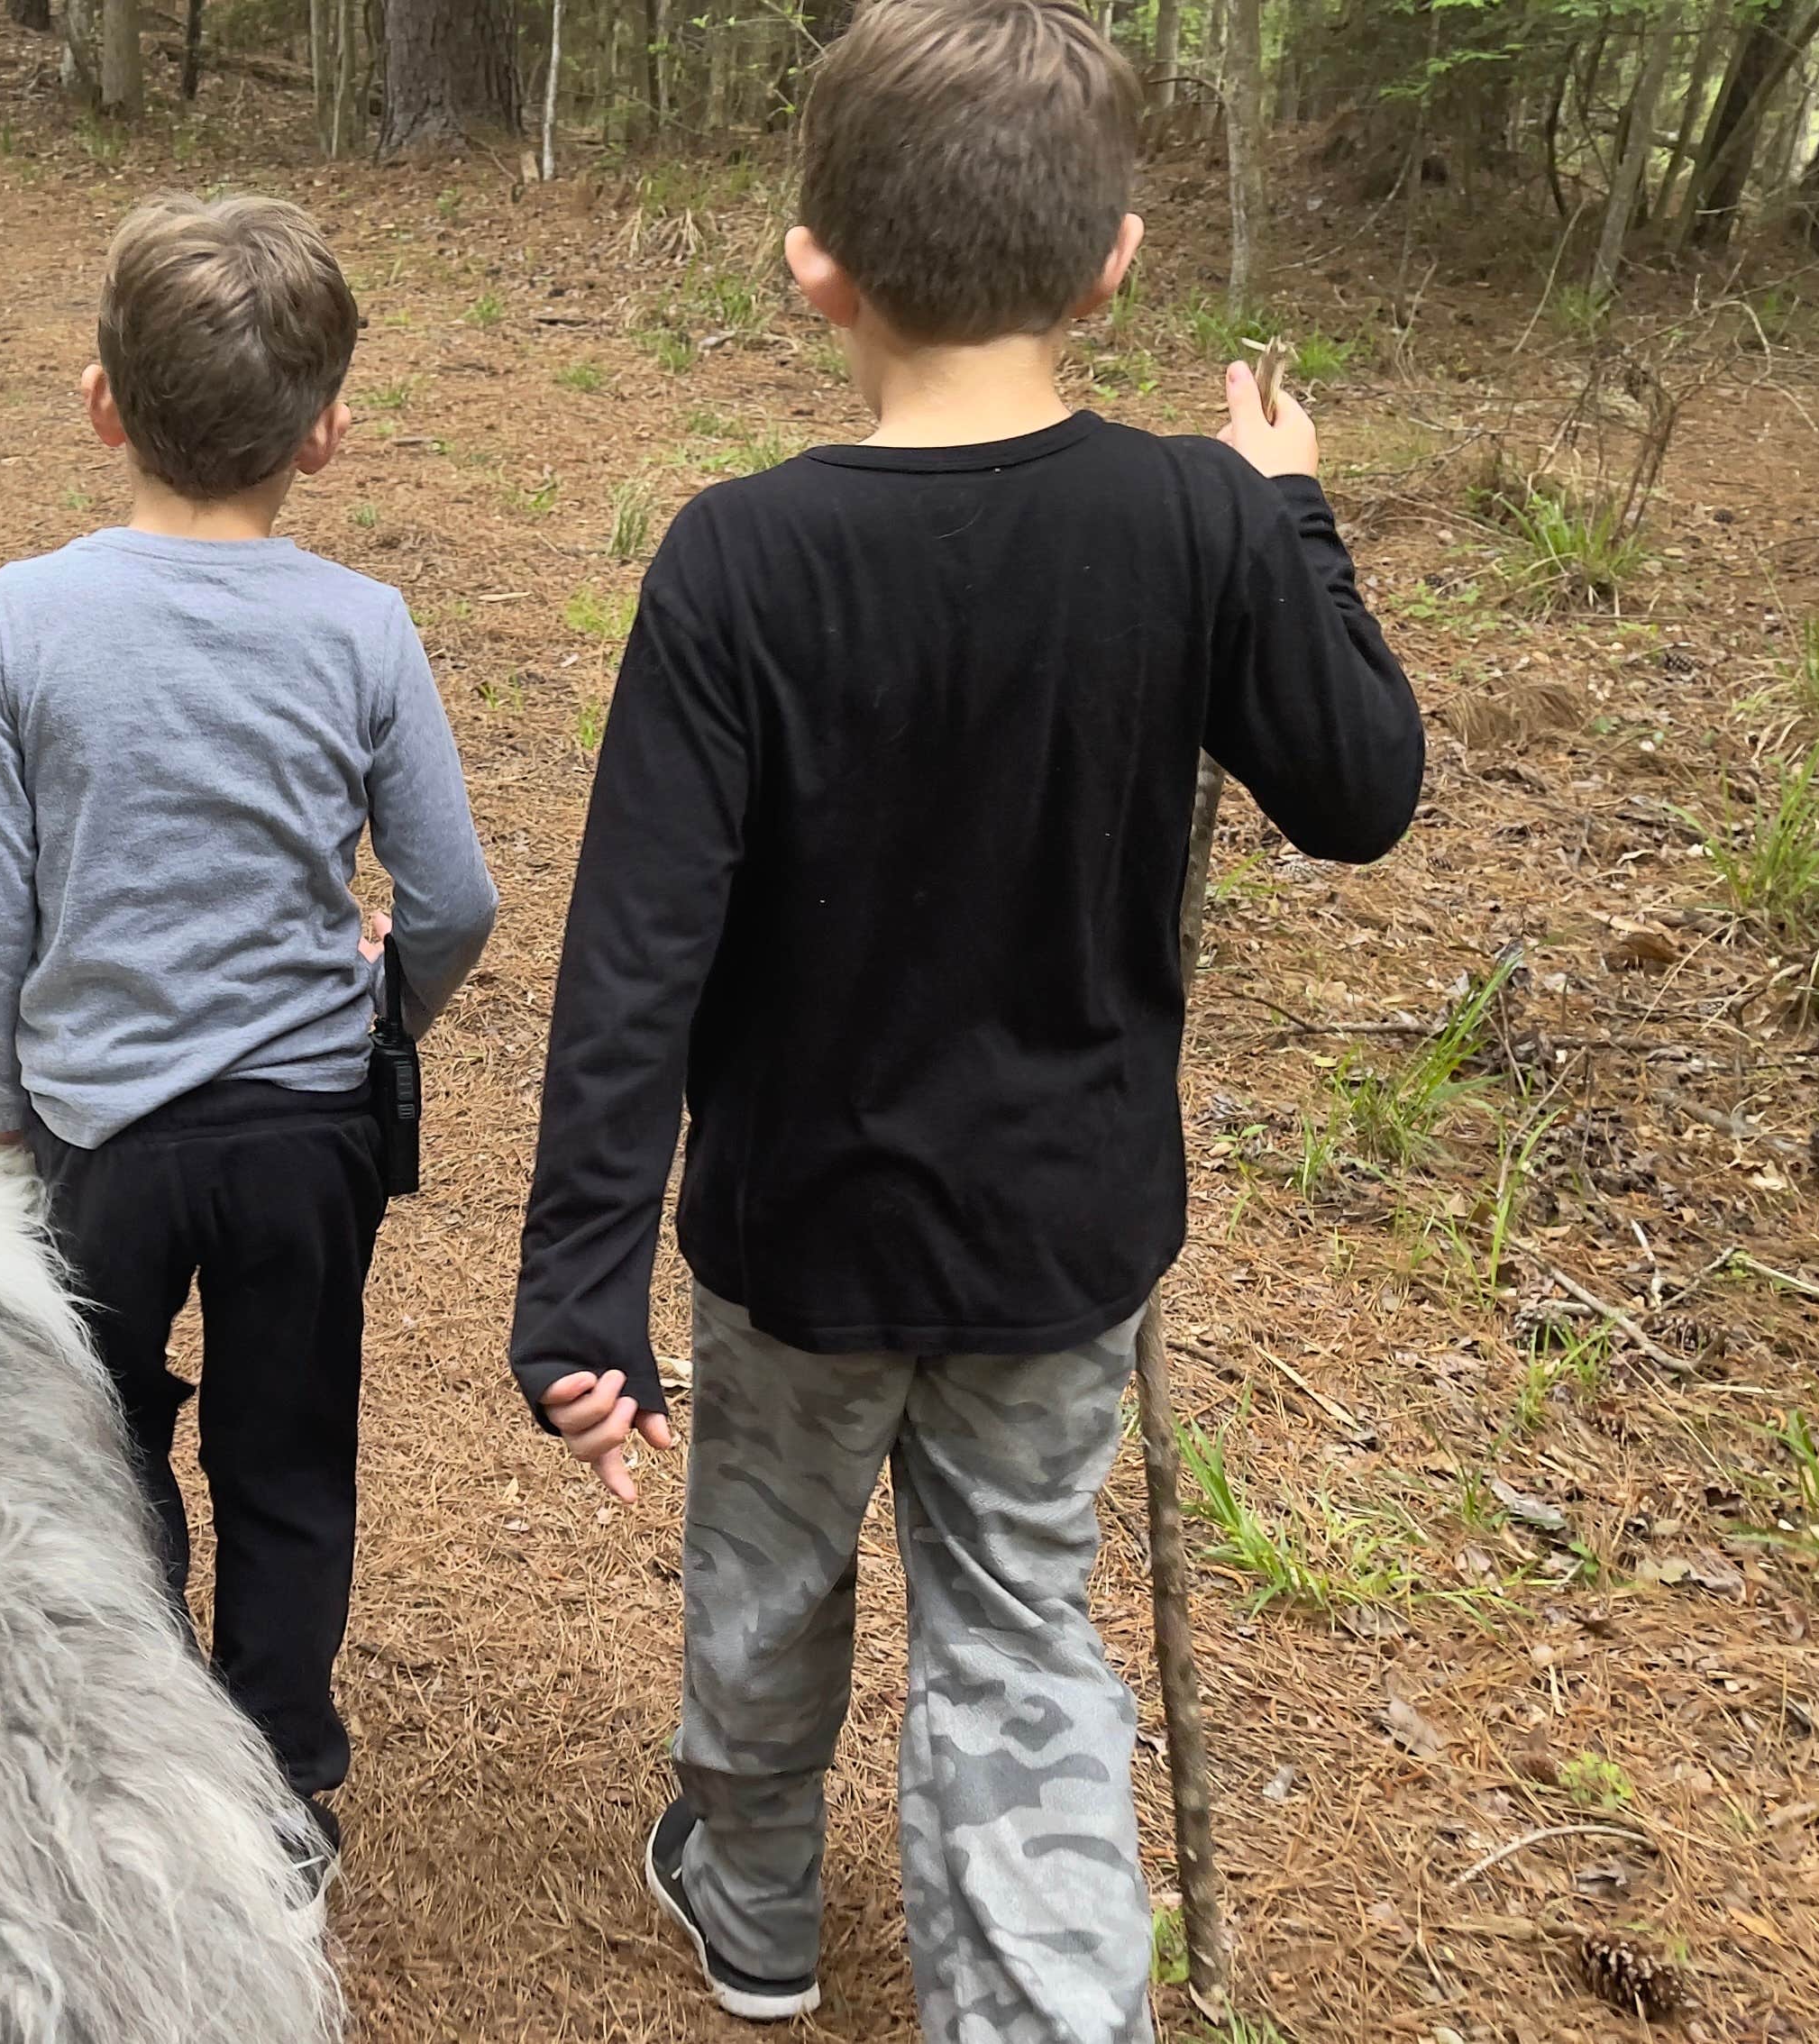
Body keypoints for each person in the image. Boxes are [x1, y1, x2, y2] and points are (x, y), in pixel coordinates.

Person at [501, 3, 1425, 2035]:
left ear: (813, 265)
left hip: (799, 1243)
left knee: (765, 1580)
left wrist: (580, 1294)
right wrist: (1288, 510)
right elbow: (1366, 786)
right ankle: (1040, 2001)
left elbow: (637, 959)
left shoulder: (740, 559)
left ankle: (754, 1901)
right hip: (1059, 1239)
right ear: (1115, 265)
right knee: (1018, 1631)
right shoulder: (1199, 519)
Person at [0, 193, 499, 1891]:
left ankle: (131, 1753)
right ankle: (279, 1782)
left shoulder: (24, 617)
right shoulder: (363, 627)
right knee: (287, 1450)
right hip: (304, 1138)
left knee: (101, 1445)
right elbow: (455, 898)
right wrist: (381, 1013)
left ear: (102, 402)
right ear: (325, 433)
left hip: (100, 1136)